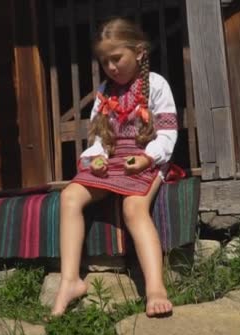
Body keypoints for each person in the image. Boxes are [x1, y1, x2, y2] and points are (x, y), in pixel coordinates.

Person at [52, 17, 178, 317]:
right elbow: (98, 138)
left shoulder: (156, 85)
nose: (111, 67)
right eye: (104, 61)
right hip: (111, 161)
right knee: (69, 196)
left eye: (116, 58)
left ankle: (155, 287)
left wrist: (148, 157)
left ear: (139, 52)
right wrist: (96, 156)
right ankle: (70, 280)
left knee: (133, 209)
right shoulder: (104, 93)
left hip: (146, 159)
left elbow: (168, 133)